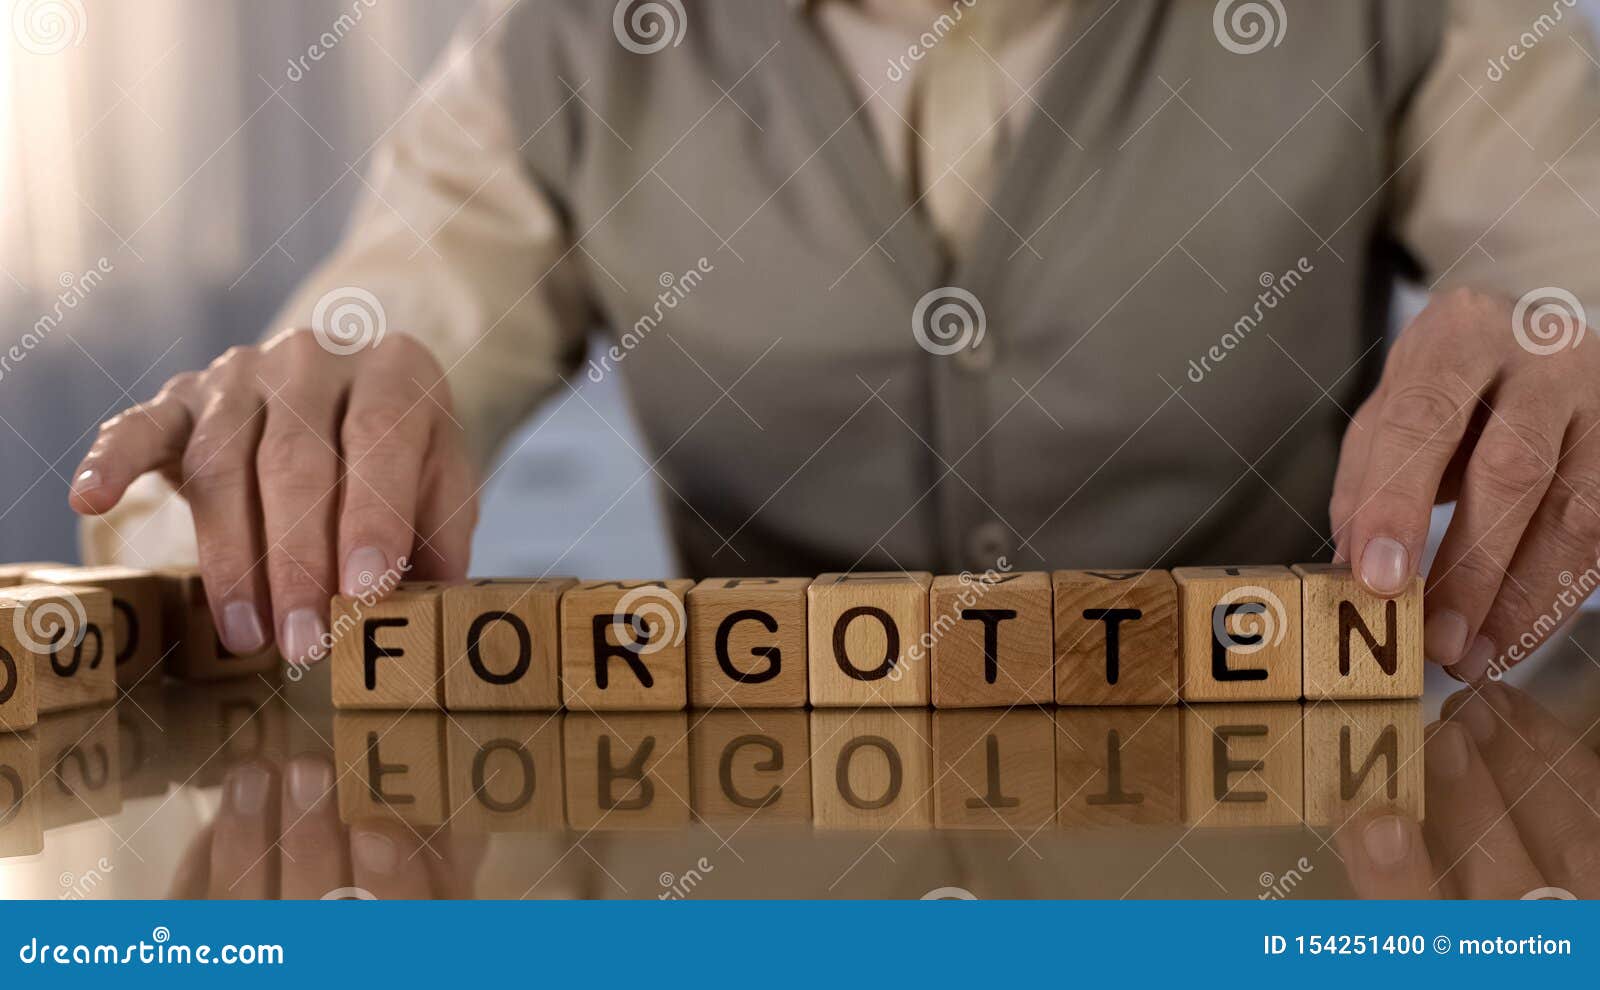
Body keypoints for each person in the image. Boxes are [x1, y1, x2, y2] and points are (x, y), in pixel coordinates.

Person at [68, 1, 1600, 682]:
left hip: (1277, 881)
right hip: (766, 899)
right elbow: (295, 437)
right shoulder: (567, 40)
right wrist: (280, 464)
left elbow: (1578, 293)